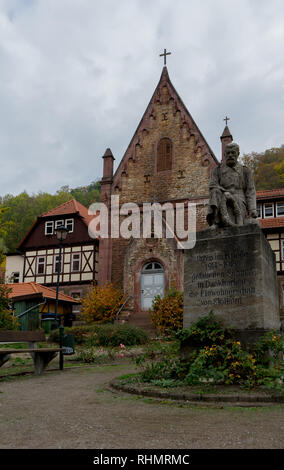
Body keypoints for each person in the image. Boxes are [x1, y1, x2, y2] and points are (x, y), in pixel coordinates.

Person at [206, 142, 259, 228]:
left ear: (238, 154)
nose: (230, 155)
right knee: (215, 191)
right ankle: (215, 221)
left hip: (239, 198)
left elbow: (250, 191)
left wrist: (252, 210)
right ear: (224, 155)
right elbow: (212, 185)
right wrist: (225, 193)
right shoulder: (217, 171)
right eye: (228, 153)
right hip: (221, 197)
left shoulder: (245, 171)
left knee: (237, 217)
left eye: (233, 153)